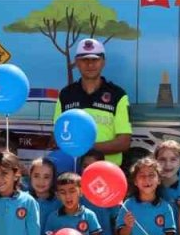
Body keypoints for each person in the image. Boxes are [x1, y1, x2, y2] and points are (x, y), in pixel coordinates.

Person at [54, 38, 132, 166]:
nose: (90, 65)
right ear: (77, 62)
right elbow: (57, 138)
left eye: (95, 59)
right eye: (84, 60)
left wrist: (85, 148)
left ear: (103, 62)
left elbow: (124, 142)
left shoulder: (118, 95)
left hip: (107, 171)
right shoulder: (65, 95)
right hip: (74, 170)